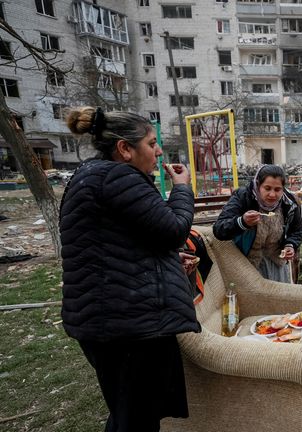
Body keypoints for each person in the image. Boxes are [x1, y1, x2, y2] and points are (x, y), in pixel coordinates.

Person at [60, 107, 199, 431]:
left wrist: (160, 262)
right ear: (125, 149)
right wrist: (181, 187)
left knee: (129, 413)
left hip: (111, 320)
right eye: (151, 143)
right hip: (129, 325)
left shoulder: (91, 175)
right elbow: (174, 230)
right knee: (136, 420)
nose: (159, 150)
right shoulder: (117, 177)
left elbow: (113, 245)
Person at [213, 164, 302, 283]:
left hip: (276, 263)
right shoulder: (244, 197)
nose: (272, 195)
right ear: (258, 185)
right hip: (246, 261)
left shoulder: (289, 204)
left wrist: (290, 245)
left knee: (276, 298)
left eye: (277, 190)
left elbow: (297, 230)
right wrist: (242, 222)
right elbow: (219, 229)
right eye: (267, 188)